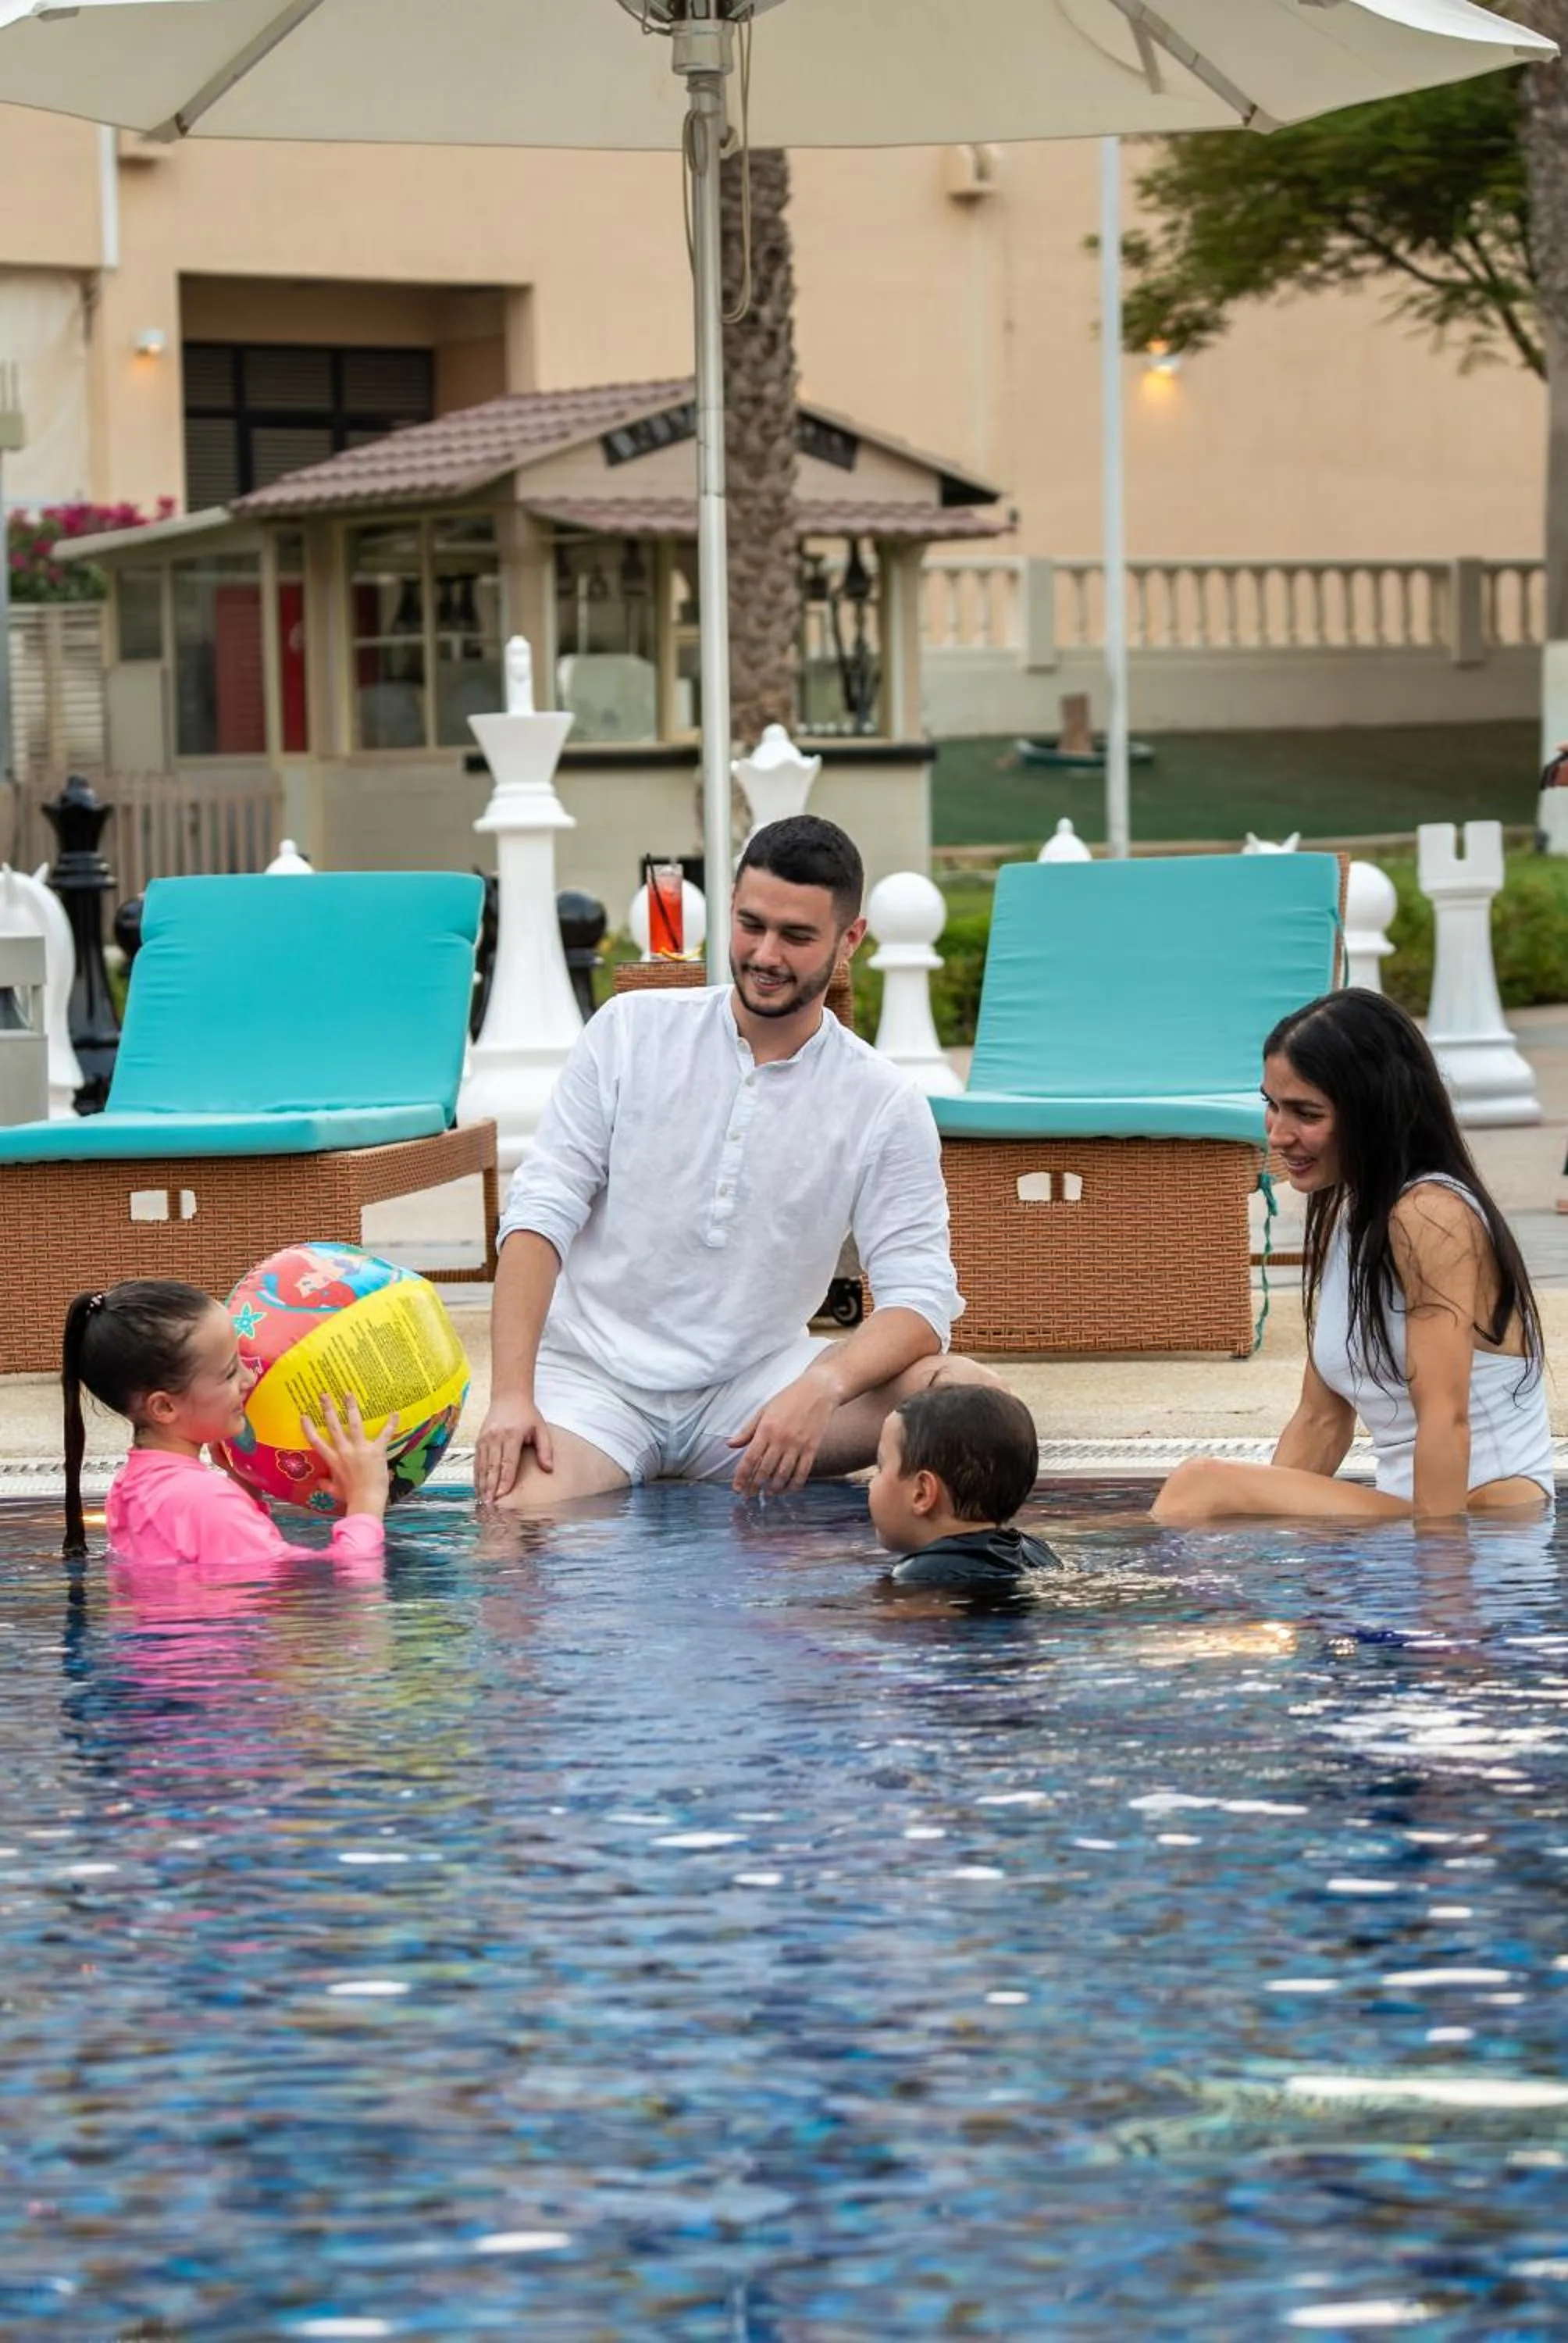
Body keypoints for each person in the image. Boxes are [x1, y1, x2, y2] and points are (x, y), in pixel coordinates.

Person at [476, 814, 996, 1509]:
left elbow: (921, 1299)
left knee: (976, 1410)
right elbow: (539, 1217)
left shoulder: (884, 1101)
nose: (766, 953)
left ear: (850, 940)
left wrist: (823, 1386)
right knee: (513, 1522)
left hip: (758, 1395)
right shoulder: (628, 1033)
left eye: (797, 936)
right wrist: (511, 1396)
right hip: (592, 1388)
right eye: (751, 925)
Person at [1153, 990, 1552, 1527]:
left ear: (1374, 1109)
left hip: (1481, 1528)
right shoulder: (1353, 1212)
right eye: (1272, 1104)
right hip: (1412, 1519)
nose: (1277, 1132)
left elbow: (1445, 1418)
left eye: (1306, 1113)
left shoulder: (1432, 1215)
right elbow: (1321, 1420)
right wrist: (1268, 1553)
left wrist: (1441, 1592)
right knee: (1213, 1515)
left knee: (1201, 1486)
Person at [62, 1279, 397, 1566]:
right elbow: (347, 1585)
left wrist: (243, 1487)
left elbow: (217, 1564)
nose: (249, 1379)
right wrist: (366, 1500)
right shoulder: (205, 1501)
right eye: (228, 1373)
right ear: (164, 1407)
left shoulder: (130, 1488)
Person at [868, 1381, 1056, 1589]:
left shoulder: (920, 1576)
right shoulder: (1037, 1552)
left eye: (880, 1467)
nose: (870, 1483)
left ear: (921, 1493)